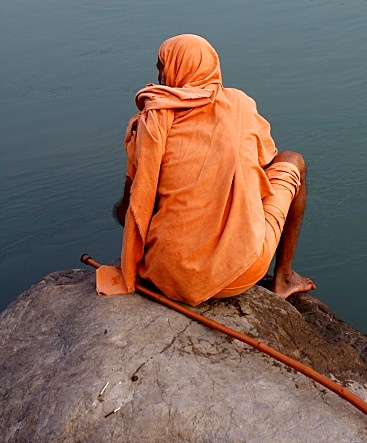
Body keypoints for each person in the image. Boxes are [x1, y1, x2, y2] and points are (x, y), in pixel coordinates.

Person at [96, 33, 315, 305]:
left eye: (161, 68)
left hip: (163, 274)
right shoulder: (240, 106)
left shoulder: (149, 123)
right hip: (239, 274)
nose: (160, 76)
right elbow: (266, 167)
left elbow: (130, 211)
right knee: (293, 160)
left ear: (174, 71)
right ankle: (282, 277)